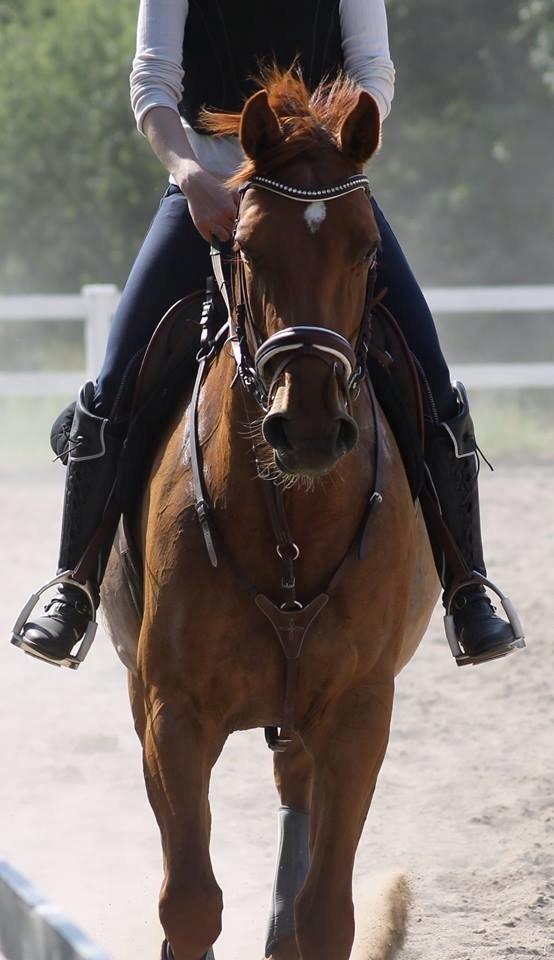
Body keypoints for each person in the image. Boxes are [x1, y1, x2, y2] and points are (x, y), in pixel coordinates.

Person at [13, 0, 522, 667]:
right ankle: (74, 582)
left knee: (427, 371)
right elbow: (153, 84)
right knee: (114, 382)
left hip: (323, 186)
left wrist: (328, 145)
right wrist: (189, 173)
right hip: (210, 189)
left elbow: (374, 72)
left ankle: (466, 584)